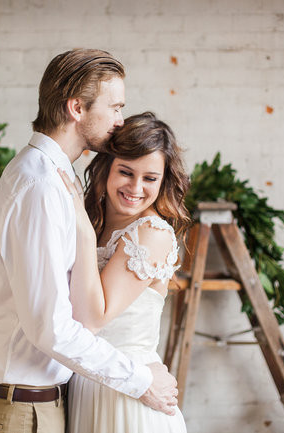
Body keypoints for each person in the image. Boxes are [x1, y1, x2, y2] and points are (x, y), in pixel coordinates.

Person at [0, 49, 179, 433]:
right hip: (23, 407)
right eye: (115, 107)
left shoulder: (58, 180)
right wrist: (141, 380)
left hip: (56, 400)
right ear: (77, 108)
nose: (120, 120)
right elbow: (52, 327)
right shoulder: (42, 187)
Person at [59, 112, 191, 432]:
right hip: (87, 388)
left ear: (163, 182)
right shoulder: (95, 223)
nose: (135, 187)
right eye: (126, 172)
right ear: (106, 169)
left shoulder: (152, 233)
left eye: (150, 178)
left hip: (130, 397)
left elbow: (92, 318)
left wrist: (85, 234)